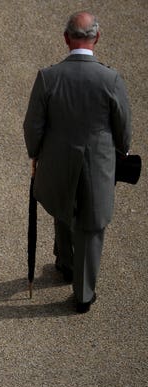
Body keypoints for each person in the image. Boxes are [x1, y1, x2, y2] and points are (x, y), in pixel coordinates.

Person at [23, 11, 132, 313]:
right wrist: (121, 150)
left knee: (62, 207)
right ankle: (83, 294)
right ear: (96, 38)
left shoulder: (48, 77)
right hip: (97, 163)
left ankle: (66, 264)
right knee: (91, 224)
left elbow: (33, 126)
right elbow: (122, 126)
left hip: (58, 160)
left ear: (66, 38)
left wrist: (35, 154)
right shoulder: (110, 78)